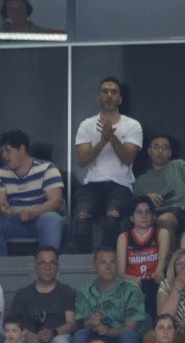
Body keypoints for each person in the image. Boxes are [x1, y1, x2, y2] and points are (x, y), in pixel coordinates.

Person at [73, 77, 141, 253]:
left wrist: (112, 137)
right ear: (98, 98)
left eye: (114, 92)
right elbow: (82, 161)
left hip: (121, 185)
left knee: (112, 220)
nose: (109, 95)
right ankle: (84, 269)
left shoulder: (132, 125)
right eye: (105, 91)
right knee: (81, 219)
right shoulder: (86, 125)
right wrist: (103, 141)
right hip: (92, 184)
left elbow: (127, 158)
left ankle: (108, 267)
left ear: (120, 99)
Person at [0, 128, 64, 257]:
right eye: (2, 151)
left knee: (52, 219)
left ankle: (46, 264)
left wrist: (32, 213)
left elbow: (56, 201)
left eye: (8, 151)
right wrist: (1, 208)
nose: (4, 156)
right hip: (13, 221)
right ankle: (1, 267)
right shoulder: (1, 173)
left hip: (39, 219)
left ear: (21, 149)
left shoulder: (47, 168)